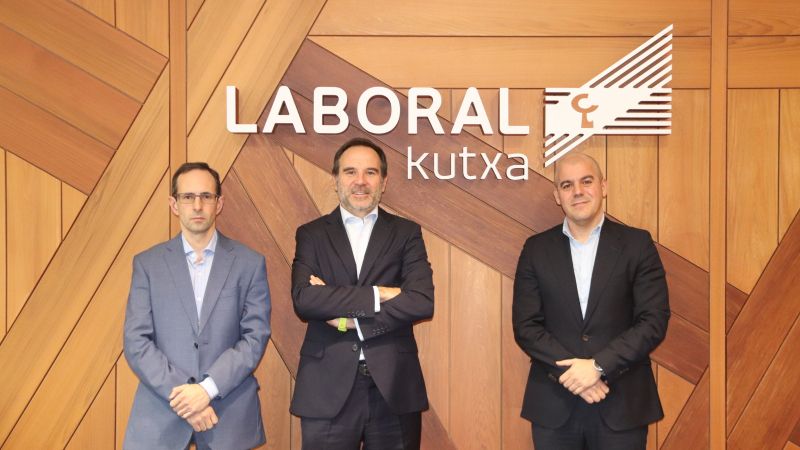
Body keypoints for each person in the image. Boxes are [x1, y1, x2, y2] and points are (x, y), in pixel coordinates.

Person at [512, 152, 670, 449]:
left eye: (586, 181)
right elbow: (526, 326)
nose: (578, 191)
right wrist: (573, 374)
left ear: (603, 186)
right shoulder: (536, 249)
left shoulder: (637, 244)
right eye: (567, 185)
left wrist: (597, 366)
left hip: (622, 404)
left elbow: (653, 320)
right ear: (557, 195)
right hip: (554, 404)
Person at [290, 138, 434, 449]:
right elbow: (305, 300)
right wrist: (380, 293)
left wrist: (348, 320)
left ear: (384, 181)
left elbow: (421, 301)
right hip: (326, 387)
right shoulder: (311, 234)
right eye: (350, 172)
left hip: (394, 388)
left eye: (370, 172)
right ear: (336, 179)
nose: (360, 181)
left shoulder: (407, 233)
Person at [123, 162, 271, 450]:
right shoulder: (148, 264)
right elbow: (136, 341)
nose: (198, 205)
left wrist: (207, 390)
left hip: (228, 414)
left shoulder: (249, 263)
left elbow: (255, 337)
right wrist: (186, 399)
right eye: (188, 197)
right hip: (161, 413)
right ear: (174, 204)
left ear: (219, 203)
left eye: (206, 196)